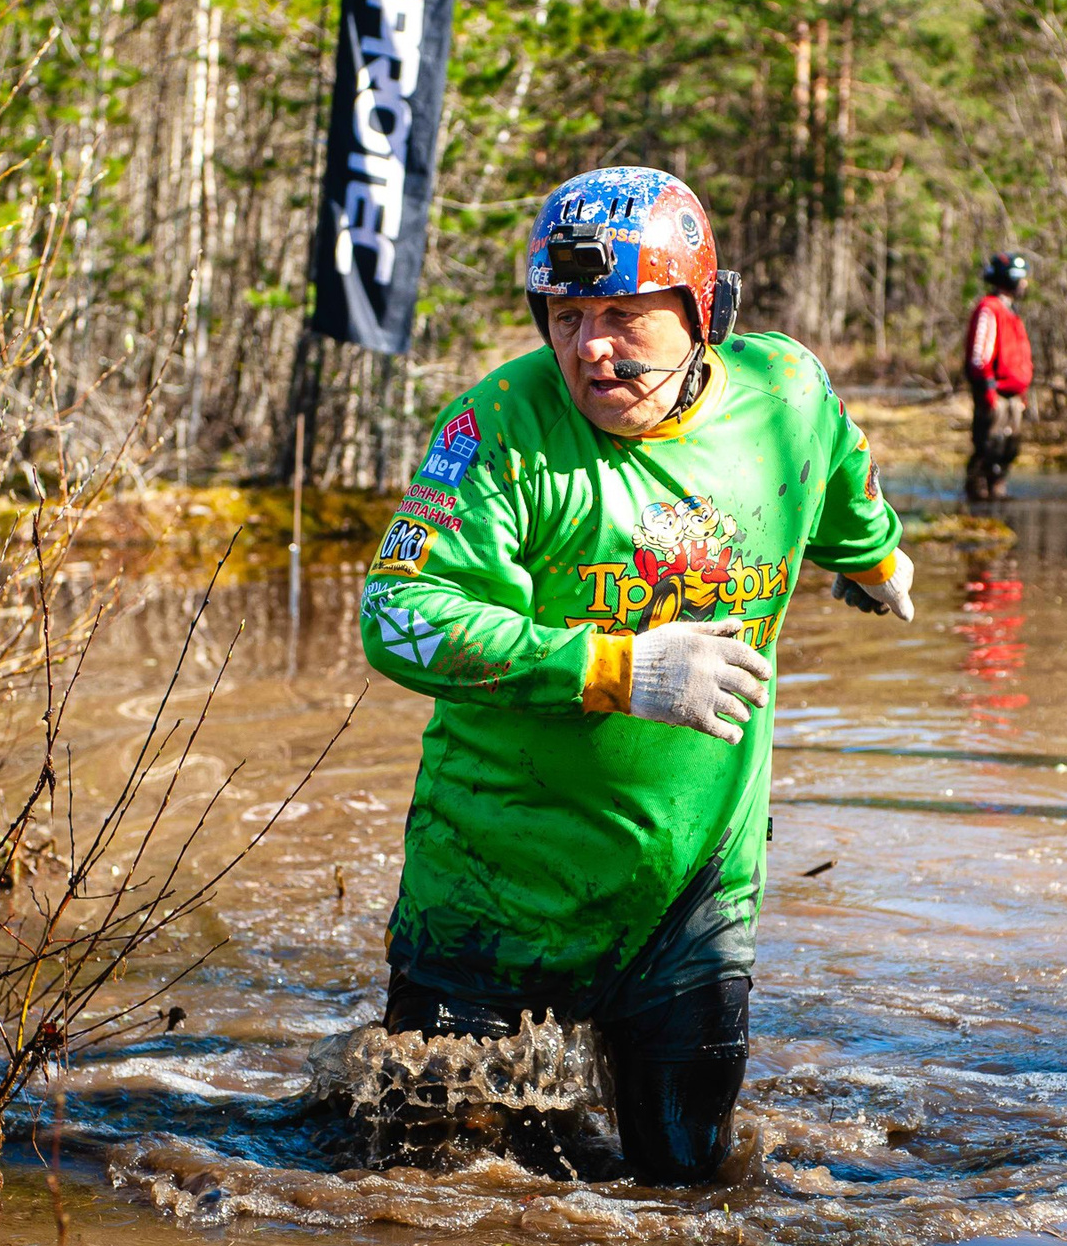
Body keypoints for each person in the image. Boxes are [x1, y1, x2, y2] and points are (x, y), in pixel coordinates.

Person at [356, 166, 915, 1186]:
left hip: (688, 893)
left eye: (623, 313)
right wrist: (617, 666)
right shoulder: (498, 429)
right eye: (566, 316)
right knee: (425, 1208)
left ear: (703, 312)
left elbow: (837, 468)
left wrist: (874, 556)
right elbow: (395, 616)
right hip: (488, 892)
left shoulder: (784, 393)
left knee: (691, 1207)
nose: (591, 348)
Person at [962, 251, 1034, 502]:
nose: (1025, 284)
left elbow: (1019, 358)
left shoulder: (1012, 312)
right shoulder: (989, 309)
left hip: (1014, 395)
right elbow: (979, 356)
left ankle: (997, 492)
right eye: (1021, 279)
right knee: (988, 446)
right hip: (995, 393)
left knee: (1009, 448)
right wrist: (988, 392)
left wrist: (1022, 393)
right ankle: (978, 497)